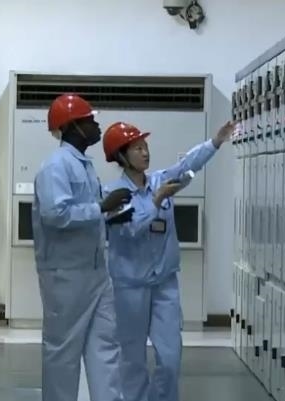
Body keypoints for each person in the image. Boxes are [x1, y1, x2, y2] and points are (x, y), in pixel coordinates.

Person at [101, 120, 235, 401]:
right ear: (121, 156)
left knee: (171, 357)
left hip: (164, 284)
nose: (145, 152)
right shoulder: (113, 195)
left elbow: (188, 165)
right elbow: (130, 229)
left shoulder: (160, 181)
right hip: (130, 287)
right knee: (132, 358)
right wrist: (156, 202)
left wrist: (216, 142)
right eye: (138, 148)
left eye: (145, 147)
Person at [32, 93, 135, 401]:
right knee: (63, 350)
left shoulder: (84, 165)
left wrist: (108, 217)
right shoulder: (55, 167)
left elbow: (84, 212)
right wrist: (101, 207)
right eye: (89, 120)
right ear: (72, 126)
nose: (96, 125)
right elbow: (55, 214)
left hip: (95, 271)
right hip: (66, 275)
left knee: (105, 345)